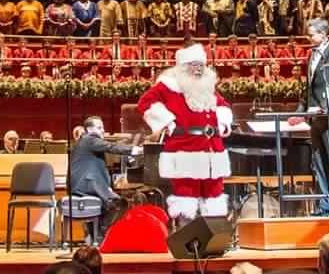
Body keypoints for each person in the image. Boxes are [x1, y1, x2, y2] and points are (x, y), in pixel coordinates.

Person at [135, 43, 233, 224]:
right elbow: (145, 103)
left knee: (214, 195)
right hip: (184, 149)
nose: (199, 70)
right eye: (194, 65)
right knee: (186, 196)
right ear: (183, 67)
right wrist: (167, 122)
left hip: (212, 150)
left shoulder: (207, 88)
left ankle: (214, 234)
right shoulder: (168, 86)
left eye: (201, 65)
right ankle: (187, 236)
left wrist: (224, 121)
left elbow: (223, 106)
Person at [293, 18, 329, 215]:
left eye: (312, 34)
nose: (309, 38)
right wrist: (299, 113)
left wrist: (324, 107)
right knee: (318, 162)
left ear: (323, 34)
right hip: (314, 119)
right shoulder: (312, 55)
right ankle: (325, 204)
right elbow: (308, 89)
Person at [69, 116, 141, 236]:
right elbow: (111, 147)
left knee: (108, 205)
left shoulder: (84, 142)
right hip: (88, 184)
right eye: (99, 127)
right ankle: (102, 235)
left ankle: (94, 236)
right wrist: (134, 149)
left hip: (83, 184)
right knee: (118, 203)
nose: (103, 130)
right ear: (89, 129)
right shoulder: (89, 139)